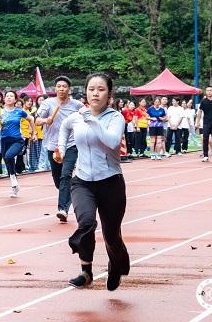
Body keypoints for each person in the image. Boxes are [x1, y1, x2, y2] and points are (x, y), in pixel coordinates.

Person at [57, 73, 129, 291]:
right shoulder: (77, 117)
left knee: (111, 235)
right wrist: (61, 148)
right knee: (86, 223)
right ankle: (86, 271)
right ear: (86, 92)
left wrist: (92, 120)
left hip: (111, 182)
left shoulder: (115, 118)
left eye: (101, 89)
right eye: (91, 89)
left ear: (109, 94)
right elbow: (64, 127)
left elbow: (112, 142)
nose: (95, 93)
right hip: (82, 181)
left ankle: (116, 265)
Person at [36, 76, 83, 222]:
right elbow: (37, 120)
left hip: (71, 145)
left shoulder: (77, 105)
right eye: (59, 86)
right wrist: (46, 120)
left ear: (69, 89)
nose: (61, 89)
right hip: (53, 146)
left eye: (64, 86)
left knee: (65, 174)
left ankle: (63, 209)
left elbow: (89, 117)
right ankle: (73, 188)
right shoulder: (47, 103)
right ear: (55, 88)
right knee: (59, 181)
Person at [0, 90, 36, 197]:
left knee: (9, 156)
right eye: (7, 96)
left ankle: (14, 181)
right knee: (8, 161)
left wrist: (34, 132)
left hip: (17, 140)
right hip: (4, 140)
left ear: (15, 100)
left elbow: (31, 119)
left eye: (11, 96)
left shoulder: (19, 111)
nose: (9, 97)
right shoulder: (1, 112)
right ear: (4, 99)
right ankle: (14, 185)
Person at [195, 87, 212, 162]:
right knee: (205, 139)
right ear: (206, 92)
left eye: (210, 90)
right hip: (206, 123)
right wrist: (197, 122)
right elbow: (199, 112)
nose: (209, 92)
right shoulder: (203, 101)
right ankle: (205, 155)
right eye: (208, 90)